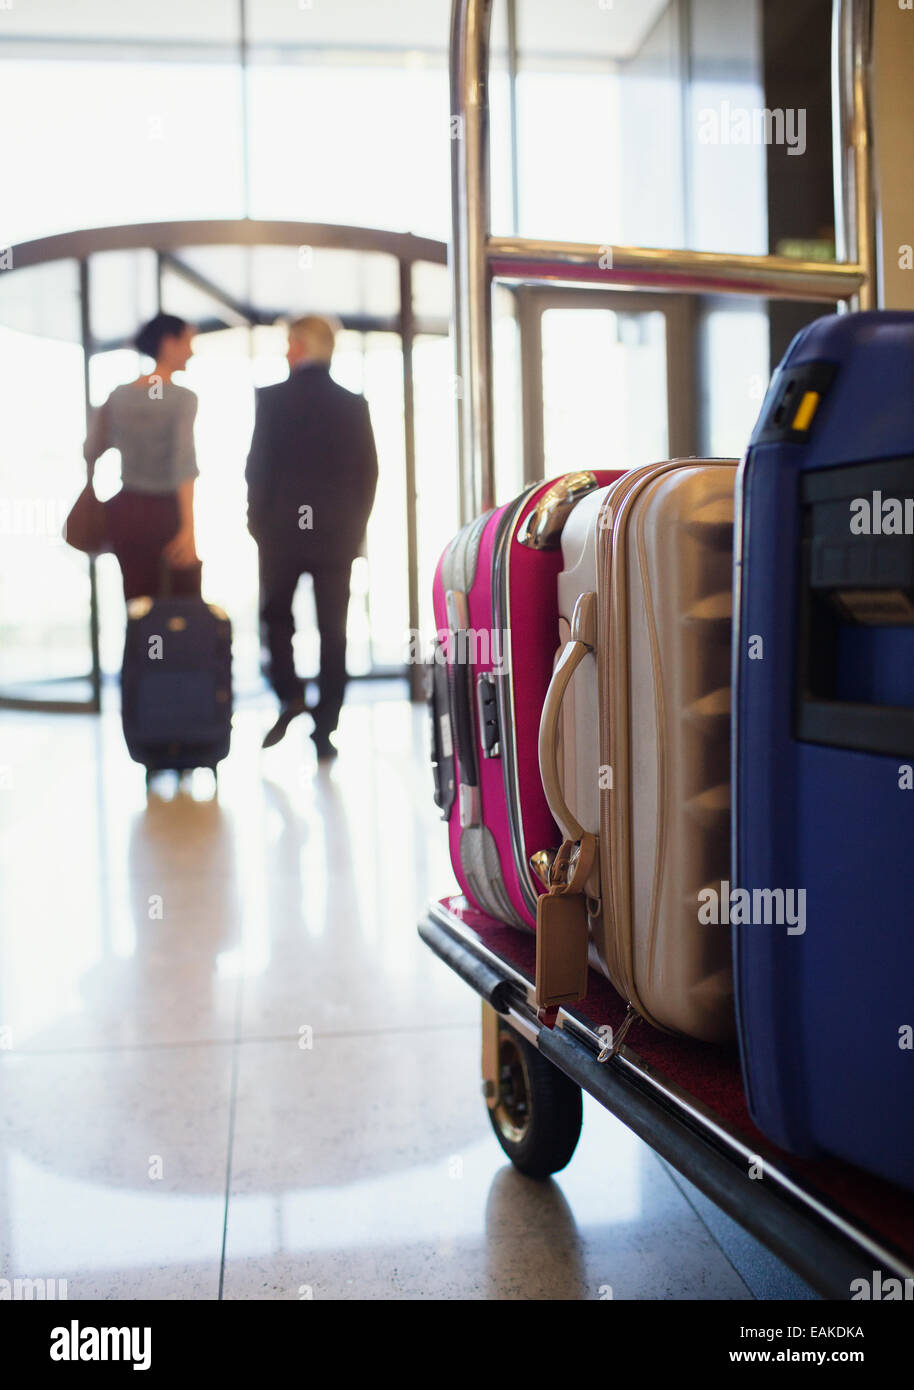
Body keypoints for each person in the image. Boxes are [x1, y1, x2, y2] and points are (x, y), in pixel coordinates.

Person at [246, 315, 378, 758]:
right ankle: (325, 729)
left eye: (288, 344)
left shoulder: (271, 400)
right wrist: (354, 530)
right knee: (333, 631)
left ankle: (290, 694)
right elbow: (368, 475)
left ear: (300, 347)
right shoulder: (352, 404)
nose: (285, 352)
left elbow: (257, 469)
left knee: (275, 617)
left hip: (281, 534)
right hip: (337, 539)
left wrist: (257, 524)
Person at [84, 313, 200, 600]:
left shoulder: (119, 395)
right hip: (166, 511)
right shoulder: (182, 398)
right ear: (168, 343)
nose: (191, 351)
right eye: (187, 342)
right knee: (181, 606)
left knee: (137, 604)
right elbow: (182, 464)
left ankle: (139, 646)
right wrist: (188, 527)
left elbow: (91, 450)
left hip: (126, 511)